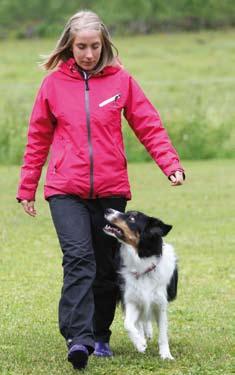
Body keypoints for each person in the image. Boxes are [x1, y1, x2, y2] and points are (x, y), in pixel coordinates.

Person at [17, 10, 185, 370]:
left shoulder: (121, 81)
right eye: (81, 46)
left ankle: (101, 335)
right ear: (69, 45)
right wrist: (28, 186)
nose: (88, 53)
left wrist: (170, 164)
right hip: (65, 188)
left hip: (110, 190)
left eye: (95, 46)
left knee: (107, 268)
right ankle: (79, 339)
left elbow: (148, 124)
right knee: (78, 258)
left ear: (104, 45)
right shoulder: (52, 85)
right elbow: (37, 138)